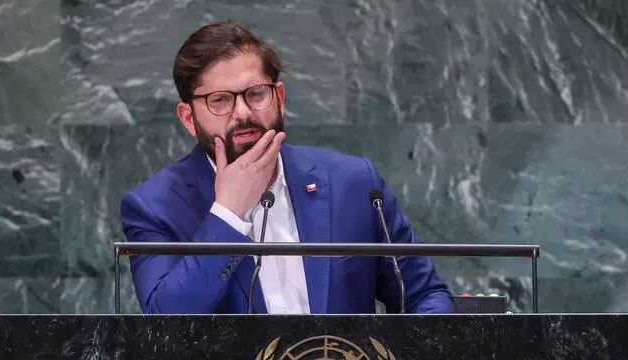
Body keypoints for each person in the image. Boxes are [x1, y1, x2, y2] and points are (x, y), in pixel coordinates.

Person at [120, 21, 454, 314]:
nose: (242, 112)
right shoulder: (154, 207)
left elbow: (424, 296)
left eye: (255, 93)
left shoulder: (351, 182)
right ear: (189, 119)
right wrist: (228, 214)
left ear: (280, 97)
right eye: (220, 100)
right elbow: (167, 320)